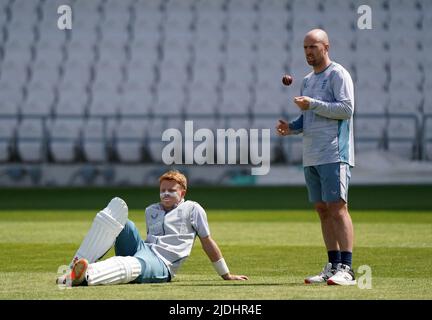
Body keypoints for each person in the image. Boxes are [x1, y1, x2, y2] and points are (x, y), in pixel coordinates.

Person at [57, 170, 248, 286]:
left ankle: (87, 274)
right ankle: (72, 269)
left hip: (162, 265)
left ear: (183, 192)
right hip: (145, 250)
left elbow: (207, 241)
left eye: (171, 190)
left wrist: (226, 274)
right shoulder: (151, 210)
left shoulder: (193, 209)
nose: (165, 193)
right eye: (162, 190)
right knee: (122, 222)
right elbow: (148, 241)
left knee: (133, 264)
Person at [276, 29, 356, 286]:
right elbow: (310, 118)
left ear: (326, 47)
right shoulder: (308, 80)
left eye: (313, 46)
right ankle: (332, 266)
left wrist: (311, 104)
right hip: (311, 154)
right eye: (305, 48)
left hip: (334, 152)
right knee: (322, 210)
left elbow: (346, 109)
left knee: (337, 207)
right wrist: (292, 127)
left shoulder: (338, 74)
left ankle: (347, 268)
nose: (309, 52)